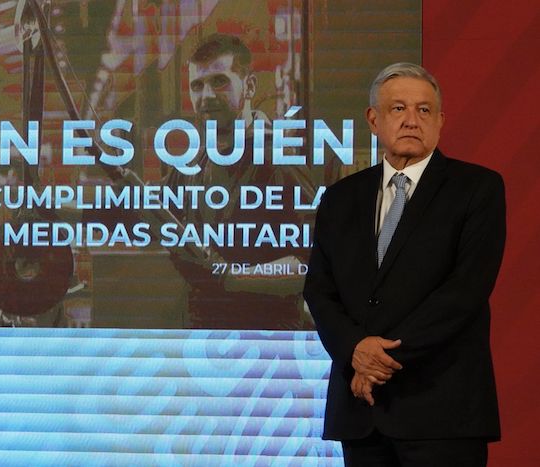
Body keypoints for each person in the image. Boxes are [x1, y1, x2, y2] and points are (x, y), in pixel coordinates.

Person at [303, 62, 505, 466]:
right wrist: (355, 350)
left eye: (424, 110)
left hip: (442, 413)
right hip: (362, 413)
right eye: (398, 109)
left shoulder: (477, 189)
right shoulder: (341, 198)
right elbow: (320, 292)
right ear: (373, 119)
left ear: (441, 121)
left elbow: (464, 291)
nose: (412, 120)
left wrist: (378, 361)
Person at [167, 33, 317, 329]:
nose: (206, 96)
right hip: (203, 340)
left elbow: (313, 264)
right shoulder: (193, 165)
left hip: (267, 343)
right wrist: (57, 209)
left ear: (249, 86)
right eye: (197, 85)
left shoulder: (279, 162)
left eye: (219, 81)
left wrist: (232, 277)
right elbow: (144, 212)